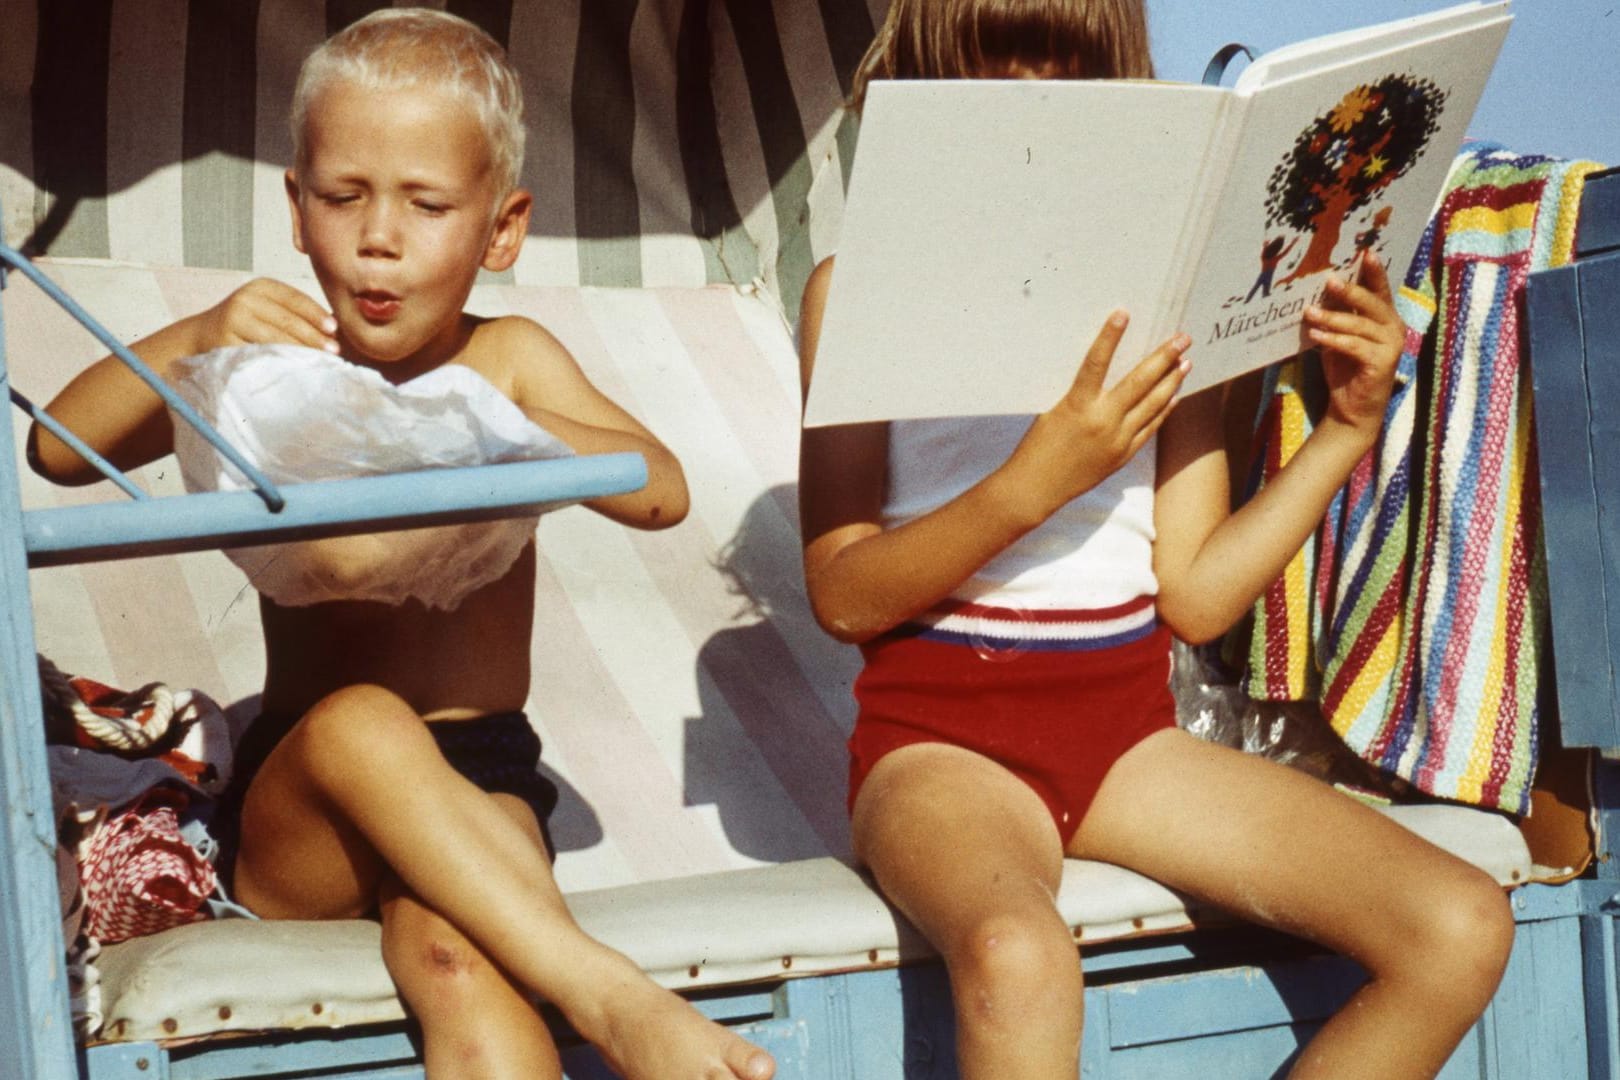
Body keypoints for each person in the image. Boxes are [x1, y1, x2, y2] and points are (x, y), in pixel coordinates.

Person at [29, 10, 774, 1080]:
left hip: (480, 769)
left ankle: (594, 1007)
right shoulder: (273, 365)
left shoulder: (508, 362)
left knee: (461, 959)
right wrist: (198, 339)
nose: (380, 237)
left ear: (502, 229)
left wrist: (495, 425)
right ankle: (616, 1001)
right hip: (309, 790)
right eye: (344, 197)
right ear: (297, 206)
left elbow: (658, 491)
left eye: (427, 206)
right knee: (365, 722)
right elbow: (58, 449)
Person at [796, 2, 1514, 1078]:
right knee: (1018, 955)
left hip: (1128, 733)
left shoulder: (1172, 302)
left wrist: (1349, 428)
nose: (1038, 91)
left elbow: (1197, 598)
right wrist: (1036, 482)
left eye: (1073, 66)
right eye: (994, 63)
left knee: (1459, 925)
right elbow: (845, 597)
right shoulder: (856, 290)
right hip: (938, 747)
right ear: (921, 82)